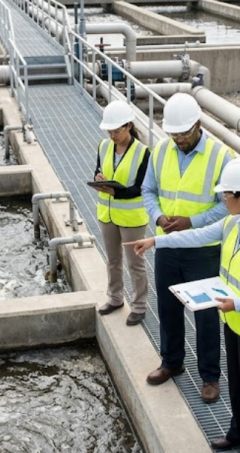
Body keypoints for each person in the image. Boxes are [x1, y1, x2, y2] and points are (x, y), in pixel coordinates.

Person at [125, 158, 240, 453]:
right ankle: (237, 433)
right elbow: (198, 235)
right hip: (235, 321)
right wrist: (155, 241)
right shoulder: (233, 223)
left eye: (226, 194)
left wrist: (238, 304)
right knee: (237, 384)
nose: (223, 199)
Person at [140, 92, 233, 403]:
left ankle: (210, 376)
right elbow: (148, 190)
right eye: (173, 133)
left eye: (184, 133)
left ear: (198, 124)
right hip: (168, 245)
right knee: (168, 308)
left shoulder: (221, 157)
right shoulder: (161, 151)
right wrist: (158, 216)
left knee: (206, 314)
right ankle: (171, 362)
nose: (179, 139)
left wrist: (192, 222)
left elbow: (228, 205)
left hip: (203, 249)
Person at [90, 100, 151, 326]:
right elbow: (98, 170)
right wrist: (99, 179)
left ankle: (139, 306)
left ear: (128, 126)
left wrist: (115, 192)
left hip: (131, 218)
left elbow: (142, 188)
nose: (112, 135)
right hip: (107, 214)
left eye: (116, 131)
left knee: (135, 264)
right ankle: (115, 298)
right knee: (113, 260)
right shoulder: (104, 146)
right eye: (109, 131)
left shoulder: (143, 152)